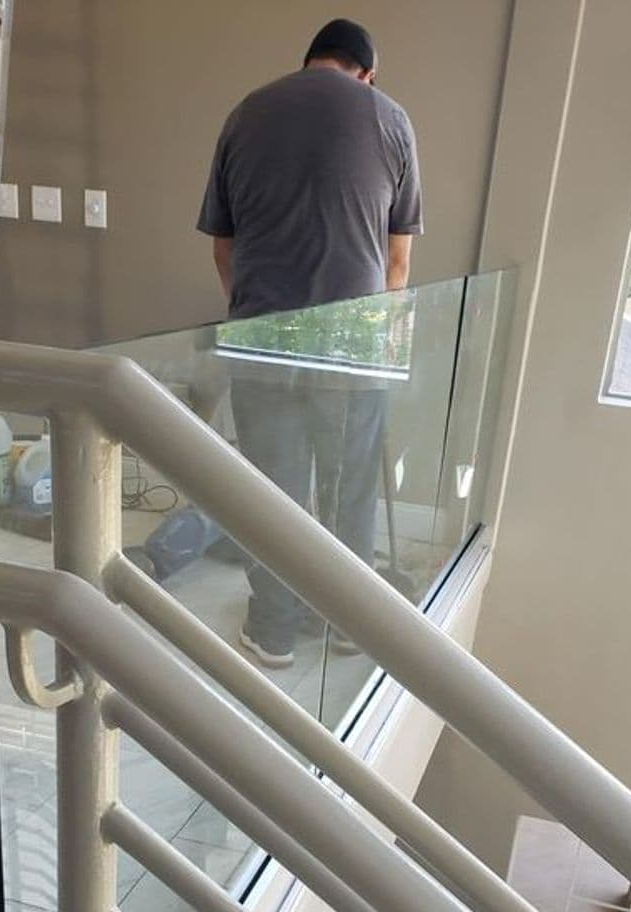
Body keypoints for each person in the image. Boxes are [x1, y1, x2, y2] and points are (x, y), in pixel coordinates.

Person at [198, 17, 422, 667]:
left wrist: (252, 318)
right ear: (366, 73)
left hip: (261, 341)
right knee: (349, 487)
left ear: (310, 60)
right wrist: (380, 340)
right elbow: (397, 261)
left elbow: (223, 247)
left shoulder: (245, 114)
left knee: (274, 492)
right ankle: (348, 622)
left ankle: (274, 629)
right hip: (351, 347)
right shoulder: (391, 119)